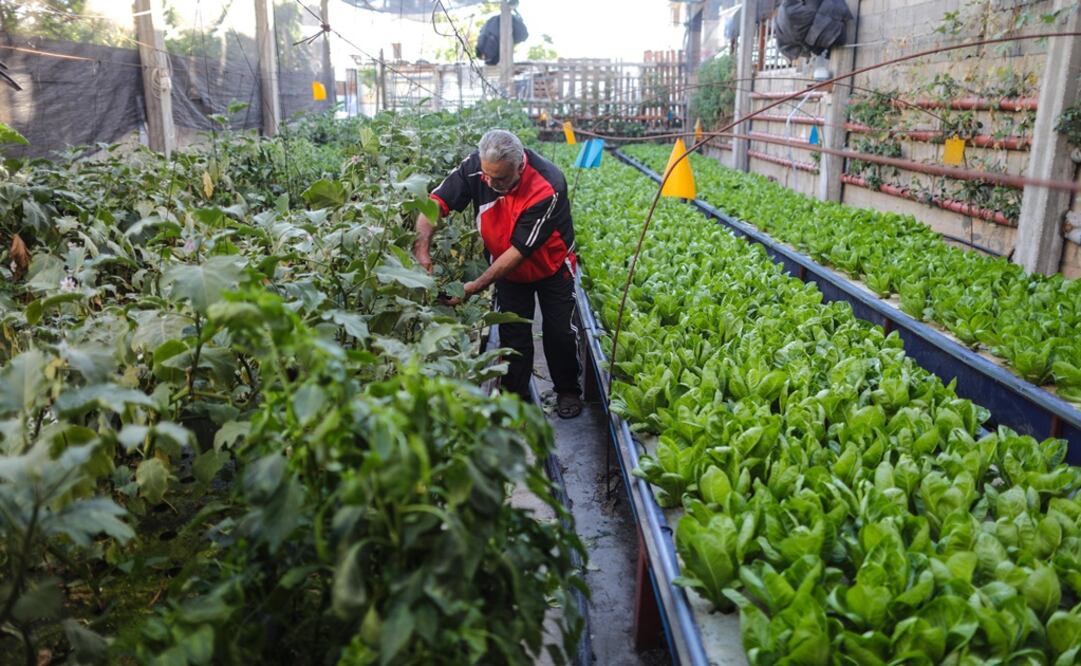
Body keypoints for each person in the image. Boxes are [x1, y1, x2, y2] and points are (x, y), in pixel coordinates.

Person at [412, 129, 583, 418]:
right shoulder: (476, 169)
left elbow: (519, 252)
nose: (490, 183)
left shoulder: (547, 185)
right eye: (486, 175)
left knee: (559, 331)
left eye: (500, 178)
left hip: (550, 265)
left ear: (520, 166)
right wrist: (422, 250)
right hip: (506, 267)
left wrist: (475, 286)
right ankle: (514, 400)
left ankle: (567, 390)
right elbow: (434, 204)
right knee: (513, 333)